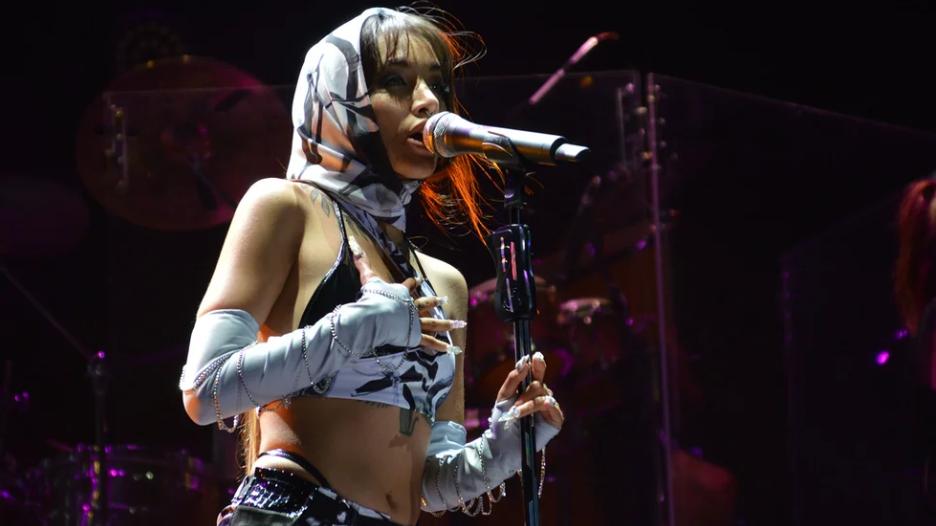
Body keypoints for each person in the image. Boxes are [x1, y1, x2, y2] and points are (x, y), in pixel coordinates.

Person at [178, 6, 564, 525]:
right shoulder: (285, 207)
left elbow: (429, 484)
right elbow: (204, 390)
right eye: (396, 82)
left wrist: (503, 447)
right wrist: (359, 328)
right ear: (338, 97)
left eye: (437, 84)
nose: (428, 102)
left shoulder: (444, 283)